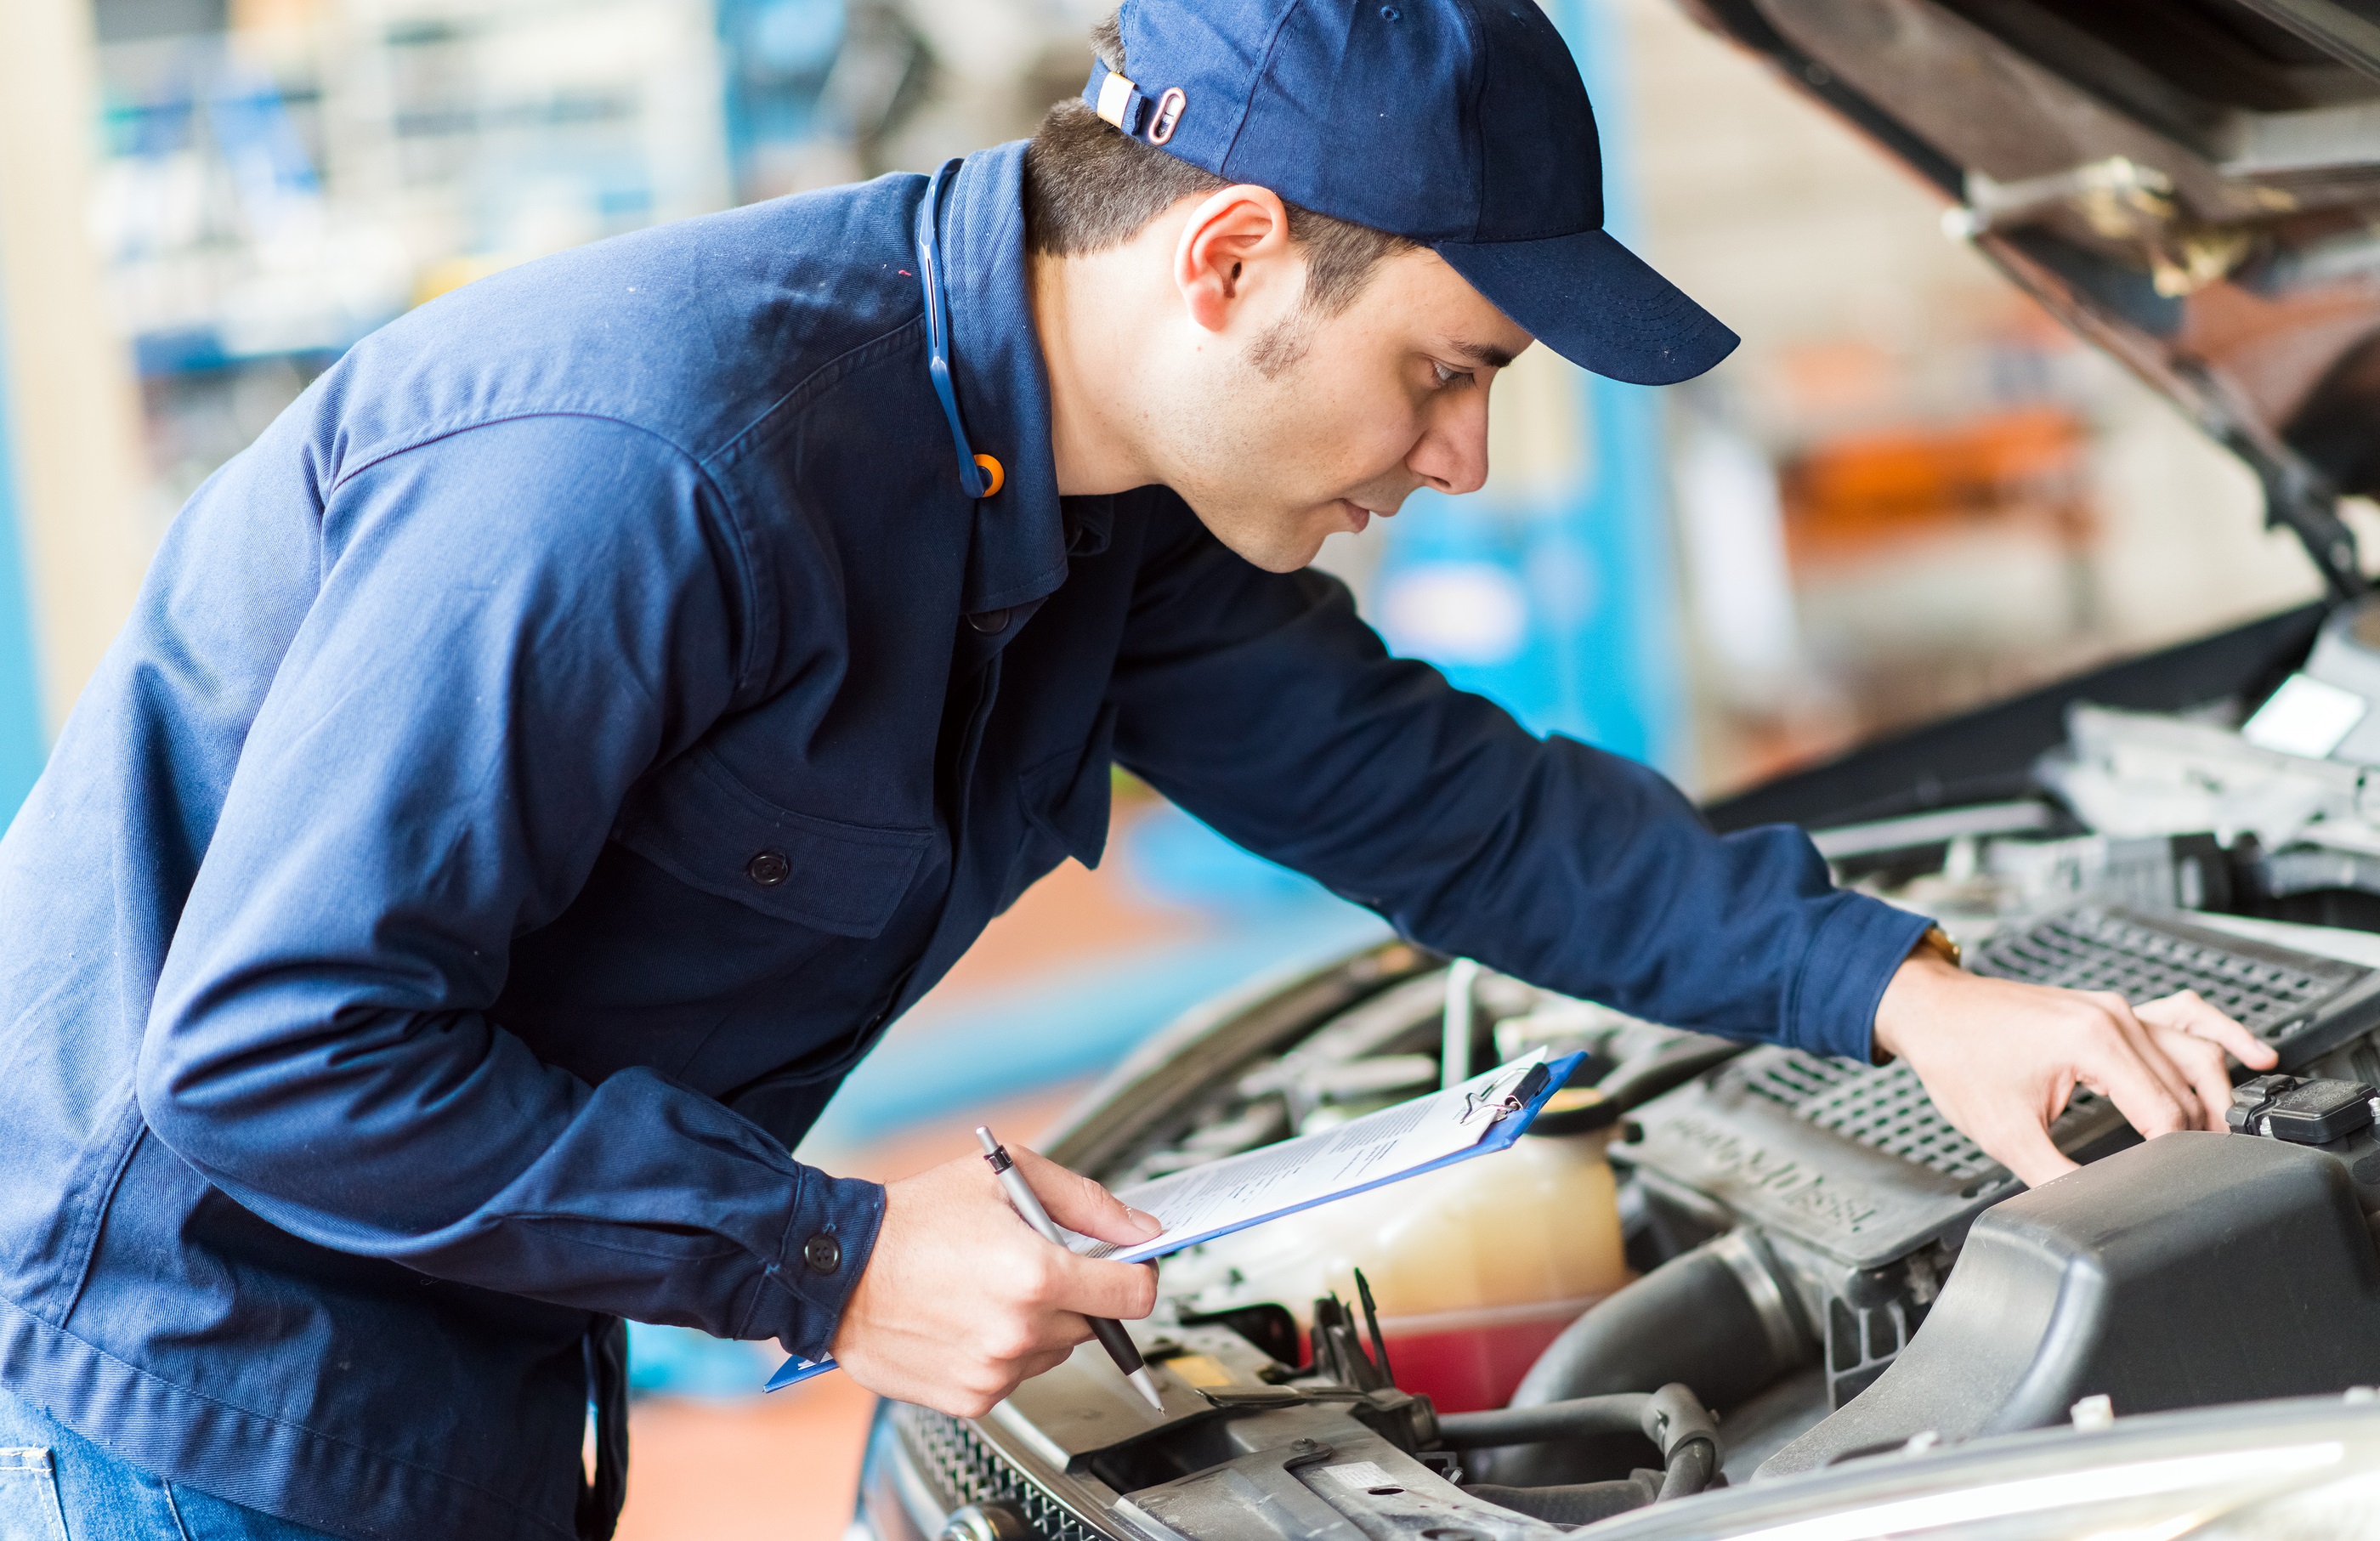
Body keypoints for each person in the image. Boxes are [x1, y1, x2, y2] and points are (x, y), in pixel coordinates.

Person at [0, 2, 2276, 1538]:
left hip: (468, 1345)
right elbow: (271, 1059)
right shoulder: (654, 469)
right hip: (190, 1378)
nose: (1464, 461)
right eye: (1443, 372)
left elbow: (1452, 810)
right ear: (1228, 260)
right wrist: (832, 1262)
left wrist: (1920, 994)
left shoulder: (1106, 518)